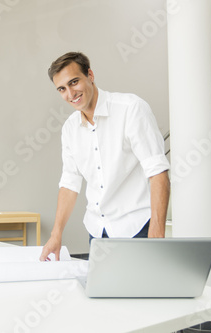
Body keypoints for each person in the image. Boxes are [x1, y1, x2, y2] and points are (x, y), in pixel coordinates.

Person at [40, 52, 170, 261]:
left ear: (90, 75)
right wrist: (56, 234)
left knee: (143, 293)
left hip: (138, 229)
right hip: (98, 232)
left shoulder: (131, 109)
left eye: (74, 82)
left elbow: (158, 172)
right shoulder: (70, 129)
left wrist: (157, 234)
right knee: (105, 293)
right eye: (62, 89)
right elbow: (69, 183)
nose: (70, 93)